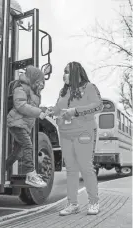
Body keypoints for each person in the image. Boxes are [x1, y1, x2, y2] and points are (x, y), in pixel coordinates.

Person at [50, 62, 103, 215]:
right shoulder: (63, 91)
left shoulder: (89, 87)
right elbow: (57, 108)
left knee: (86, 168)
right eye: (63, 72)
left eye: (66, 72)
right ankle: (73, 204)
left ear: (75, 73)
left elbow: (98, 106)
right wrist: (47, 111)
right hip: (65, 134)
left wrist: (76, 111)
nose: (63, 75)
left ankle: (94, 203)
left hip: (83, 133)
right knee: (71, 170)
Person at [6, 65, 50, 188]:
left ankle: (0, 168)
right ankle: (30, 174)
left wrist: (43, 111)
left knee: (17, 153)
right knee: (28, 145)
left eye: (43, 84)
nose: (42, 85)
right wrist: (38, 112)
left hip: (23, 125)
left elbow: (32, 108)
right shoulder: (21, 88)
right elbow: (21, 106)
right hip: (15, 123)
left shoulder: (34, 93)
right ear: (33, 79)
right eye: (40, 82)